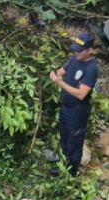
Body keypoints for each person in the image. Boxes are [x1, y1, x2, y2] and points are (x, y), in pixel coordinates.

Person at [48, 32, 98, 177]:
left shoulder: (91, 69)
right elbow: (62, 70)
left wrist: (60, 83)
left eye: (80, 50)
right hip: (66, 107)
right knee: (64, 138)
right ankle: (63, 168)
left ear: (90, 50)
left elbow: (81, 94)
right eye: (75, 50)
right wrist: (57, 74)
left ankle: (71, 174)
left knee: (74, 142)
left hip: (78, 111)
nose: (76, 53)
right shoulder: (75, 58)